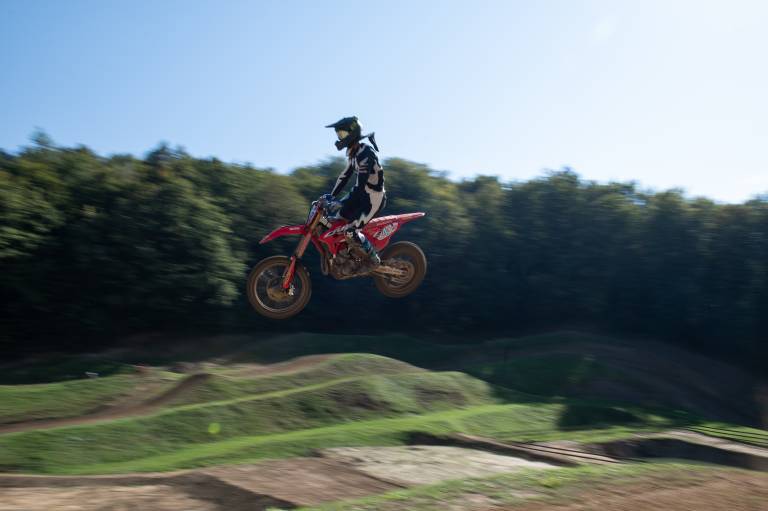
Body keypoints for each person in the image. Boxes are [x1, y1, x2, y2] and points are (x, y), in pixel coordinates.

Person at [324, 116, 386, 265]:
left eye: (342, 134)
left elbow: (361, 184)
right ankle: (346, 256)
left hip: (373, 199)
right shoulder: (353, 153)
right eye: (338, 135)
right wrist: (330, 197)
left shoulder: (366, 153)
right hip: (360, 195)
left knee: (350, 231)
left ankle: (373, 259)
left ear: (352, 133)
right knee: (334, 222)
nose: (339, 138)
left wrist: (340, 203)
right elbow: (344, 176)